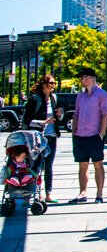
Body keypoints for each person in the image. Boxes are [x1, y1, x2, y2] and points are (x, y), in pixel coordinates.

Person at [69, 67, 107, 204]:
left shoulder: (102, 94)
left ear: (91, 78)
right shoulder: (80, 96)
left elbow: (105, 114)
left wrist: (102, 133)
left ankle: (99, 193)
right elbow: (76, 114)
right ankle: (83, 192)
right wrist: (74, 133)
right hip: (80, 135)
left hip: (95, 135)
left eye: (84, 77)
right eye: (81, 78)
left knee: (98, 163)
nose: (82, 80)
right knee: (82, 164)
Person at [22, 74, 62, 202]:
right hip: (37, 138)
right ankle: (31, 193)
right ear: (44, 85)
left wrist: (60, 115)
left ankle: (48, 193)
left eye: (54, 83)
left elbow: (56, 119)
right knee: (35, 165)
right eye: (51, 83)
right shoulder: (35, 99)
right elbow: (27, 121)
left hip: (51, 136)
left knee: (49, 165)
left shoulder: (54, 98)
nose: (53, 85)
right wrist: (43, 122)